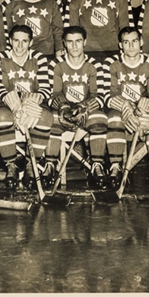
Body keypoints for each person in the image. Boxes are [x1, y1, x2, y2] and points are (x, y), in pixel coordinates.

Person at [0, 25, 56, 189]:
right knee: (1, 117)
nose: (20, 46)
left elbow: (46, 88)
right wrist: (17, 108)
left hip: (31, 104)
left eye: (24, 41)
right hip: (6, 103)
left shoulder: (38, 58)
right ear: (10, 41)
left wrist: (28, 103)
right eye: (16, 41)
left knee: (45, 117)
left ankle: (31, 165)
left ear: (30, 42)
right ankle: (11, 165)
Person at [104, 27, 149, 188]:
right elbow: (107, 95)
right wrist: (126, 107)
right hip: (121, 110)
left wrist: (146, 107)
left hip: (142, 111)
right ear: (120, 45)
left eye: (134, 41)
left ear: (141, 43)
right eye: (126, 42)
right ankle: (115, 165)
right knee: (113, 117)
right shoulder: (111, 63)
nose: (131, 46)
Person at [48, 26, 109, 187]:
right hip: (64, 111)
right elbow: (53, 93)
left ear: (85, 42)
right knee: (50, 117)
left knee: (100, 117)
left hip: (85, 111)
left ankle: (97, 165)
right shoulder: (56, 64)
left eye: (78, 41)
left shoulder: (95, 65)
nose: (74, 46)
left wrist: (84, 107)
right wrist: (64, 107)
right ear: (64, 44)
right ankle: (50, 164)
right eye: (70, 42)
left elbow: (99, 95)